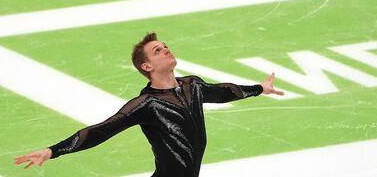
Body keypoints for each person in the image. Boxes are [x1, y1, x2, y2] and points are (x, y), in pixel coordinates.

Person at [14, 32, 284, 176]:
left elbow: (225, 92)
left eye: (165, 46)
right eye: (157, 50)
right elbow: (100, 131)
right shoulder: (146, 105)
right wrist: (53, 151)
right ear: (147, 66)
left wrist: (260, 88)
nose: (166, 49)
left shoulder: (193, 86)